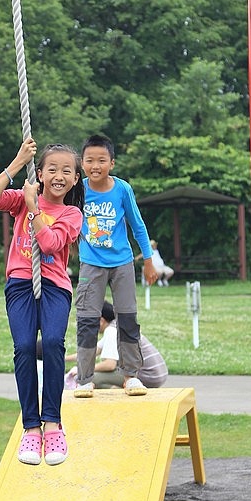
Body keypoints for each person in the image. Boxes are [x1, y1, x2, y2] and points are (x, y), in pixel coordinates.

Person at [0, 138, 84, 466]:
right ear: (39, 174)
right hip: (20, 283)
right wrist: (16, 164)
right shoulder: (23, 199)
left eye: (66, 171)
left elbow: (52, 244)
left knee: (53, 343)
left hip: (54, 286)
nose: (58, 175)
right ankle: (31, 427)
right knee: (24, 347)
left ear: (75, 179)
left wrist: (36, 209)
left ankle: (52, 423)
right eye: (51, 169)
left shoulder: (72, 214)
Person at [74, 133, 158, 398]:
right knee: (87, 321)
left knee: (128, 320)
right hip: (91, 264)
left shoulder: (122, 189)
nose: (95, 166)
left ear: (112, 163)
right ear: (82, 163)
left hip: (122, 264)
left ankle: (131, 376)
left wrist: (148, 260)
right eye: (89, 160)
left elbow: (138, 225)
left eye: (101, 160)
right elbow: (62, 218)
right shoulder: (78, 189)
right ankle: (85, 379)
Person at [64, 301, 168, 389]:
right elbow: (91, 352)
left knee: (87, 379)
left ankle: (117, 393)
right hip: (157, 374)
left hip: (148, 377)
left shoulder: (112, 331)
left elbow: (109, 365)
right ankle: (117, 389)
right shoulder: (117, 325)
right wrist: (63, 358)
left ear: (101, 320)